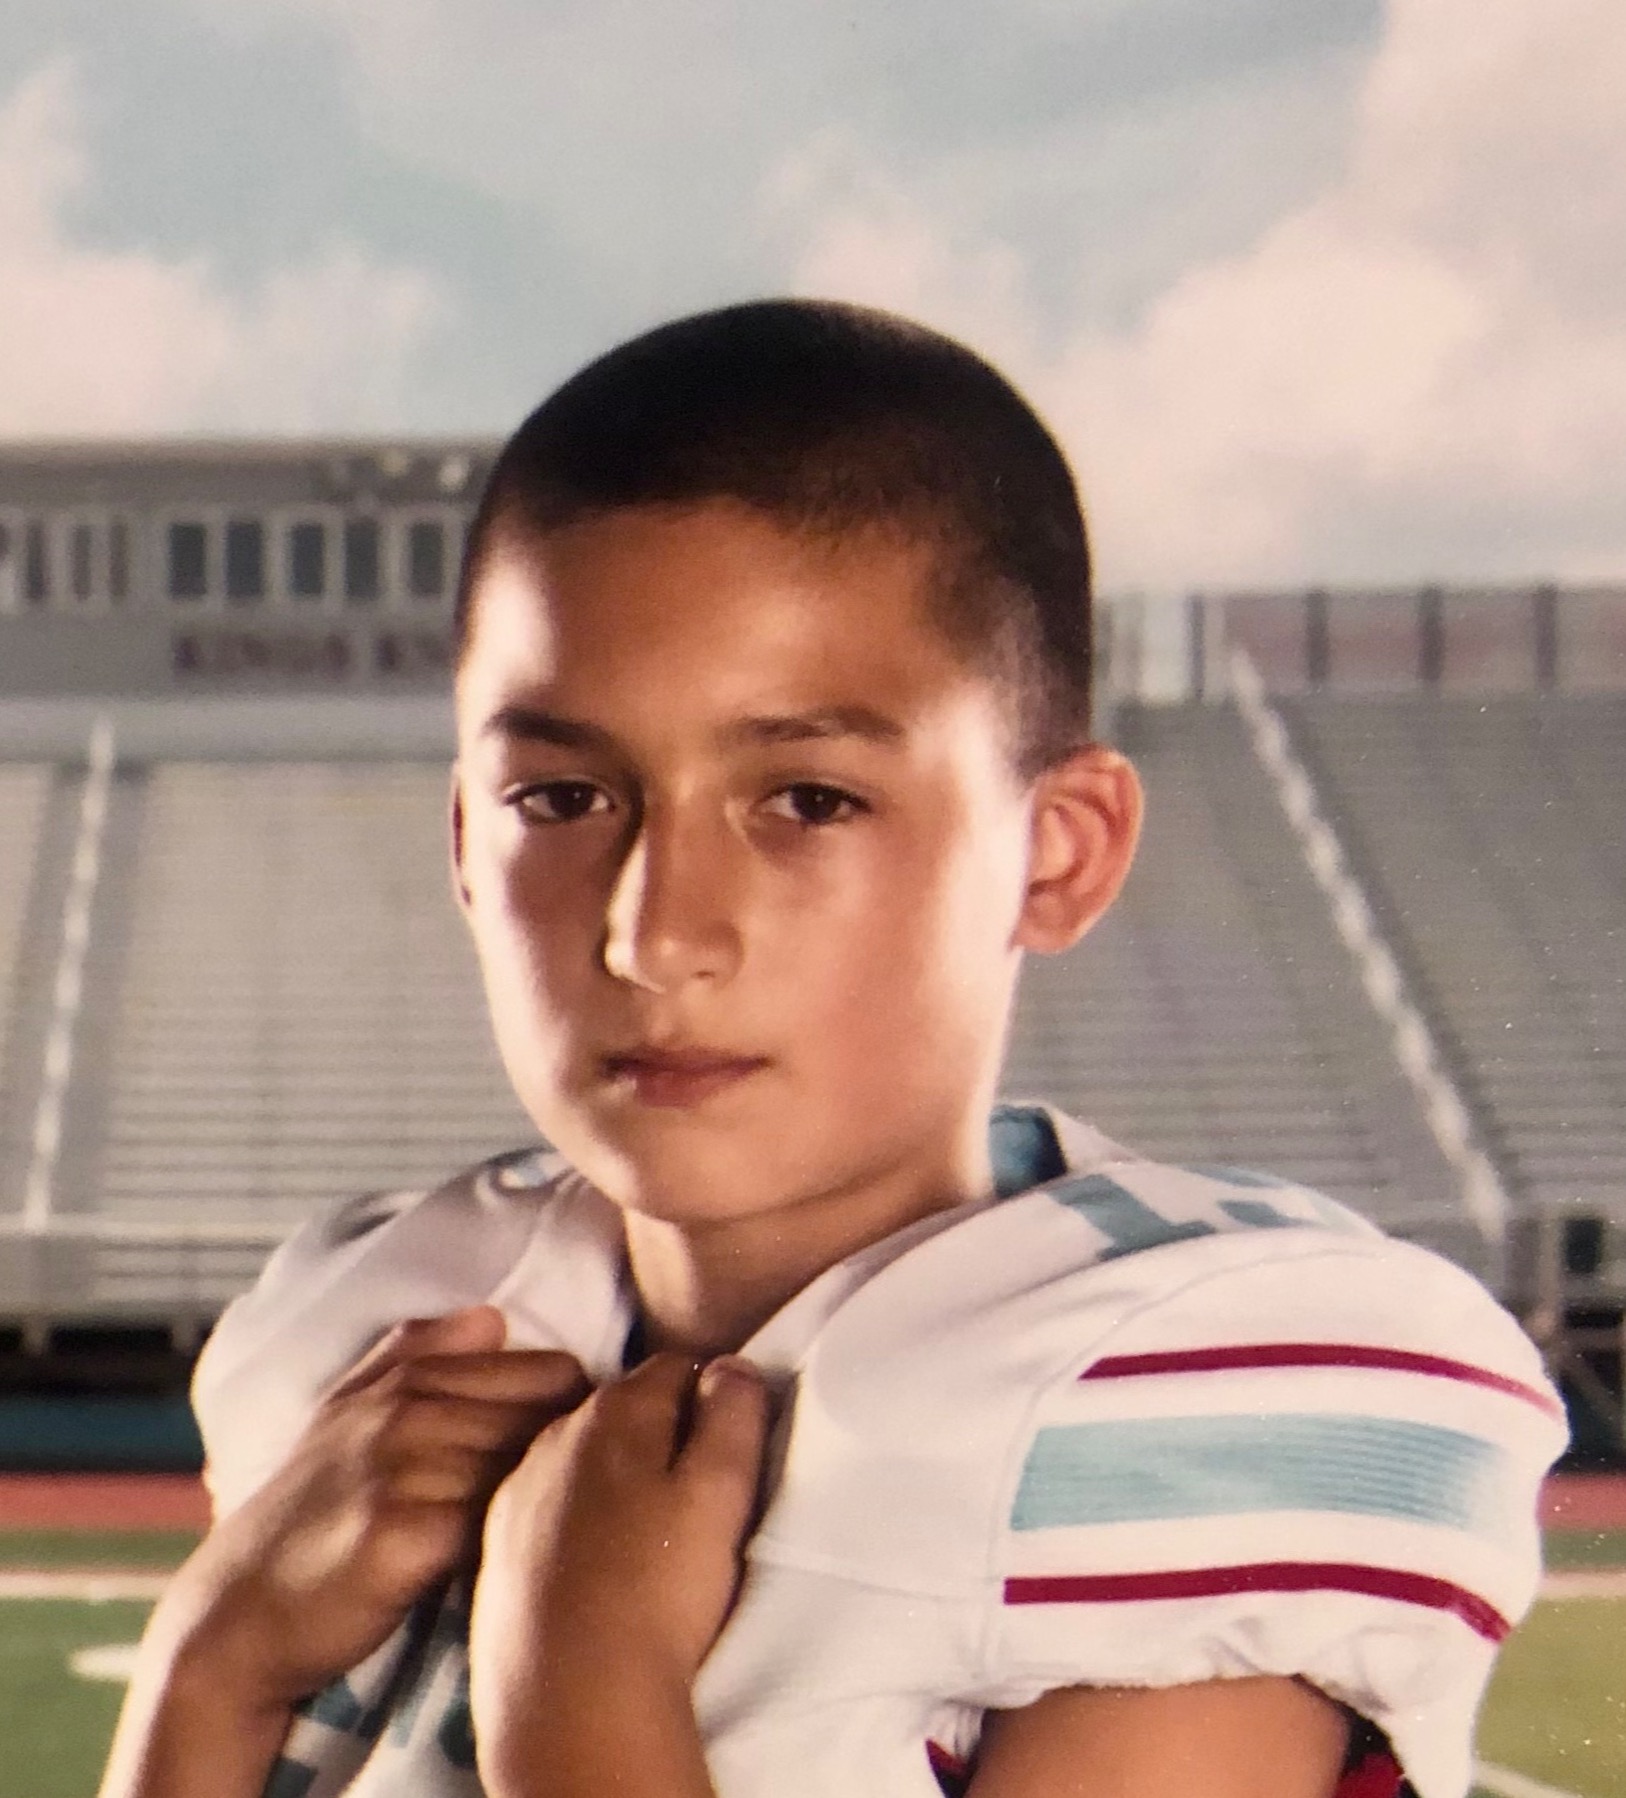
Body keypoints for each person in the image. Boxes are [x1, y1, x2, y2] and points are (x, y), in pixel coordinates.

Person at [100, 299, 1565, 1798]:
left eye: (807, 800)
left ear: (1056, 851)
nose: (654, 933)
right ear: (467, 842)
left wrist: (579, 1677)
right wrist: (210, 1661)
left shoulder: (1163, 1408)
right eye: (562, 799)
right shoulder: (383, 1330)